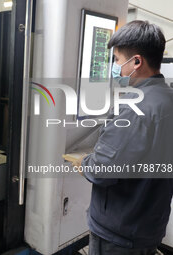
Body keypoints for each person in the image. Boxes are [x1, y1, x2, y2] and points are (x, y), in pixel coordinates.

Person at [75, 20, 173, 255]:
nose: (115, 67)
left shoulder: (133, 108)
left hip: (119, 233)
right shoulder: (168, 99)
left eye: (118, 60)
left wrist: (83, 163)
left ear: (137, 61)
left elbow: (103, 171)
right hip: (150, 224)